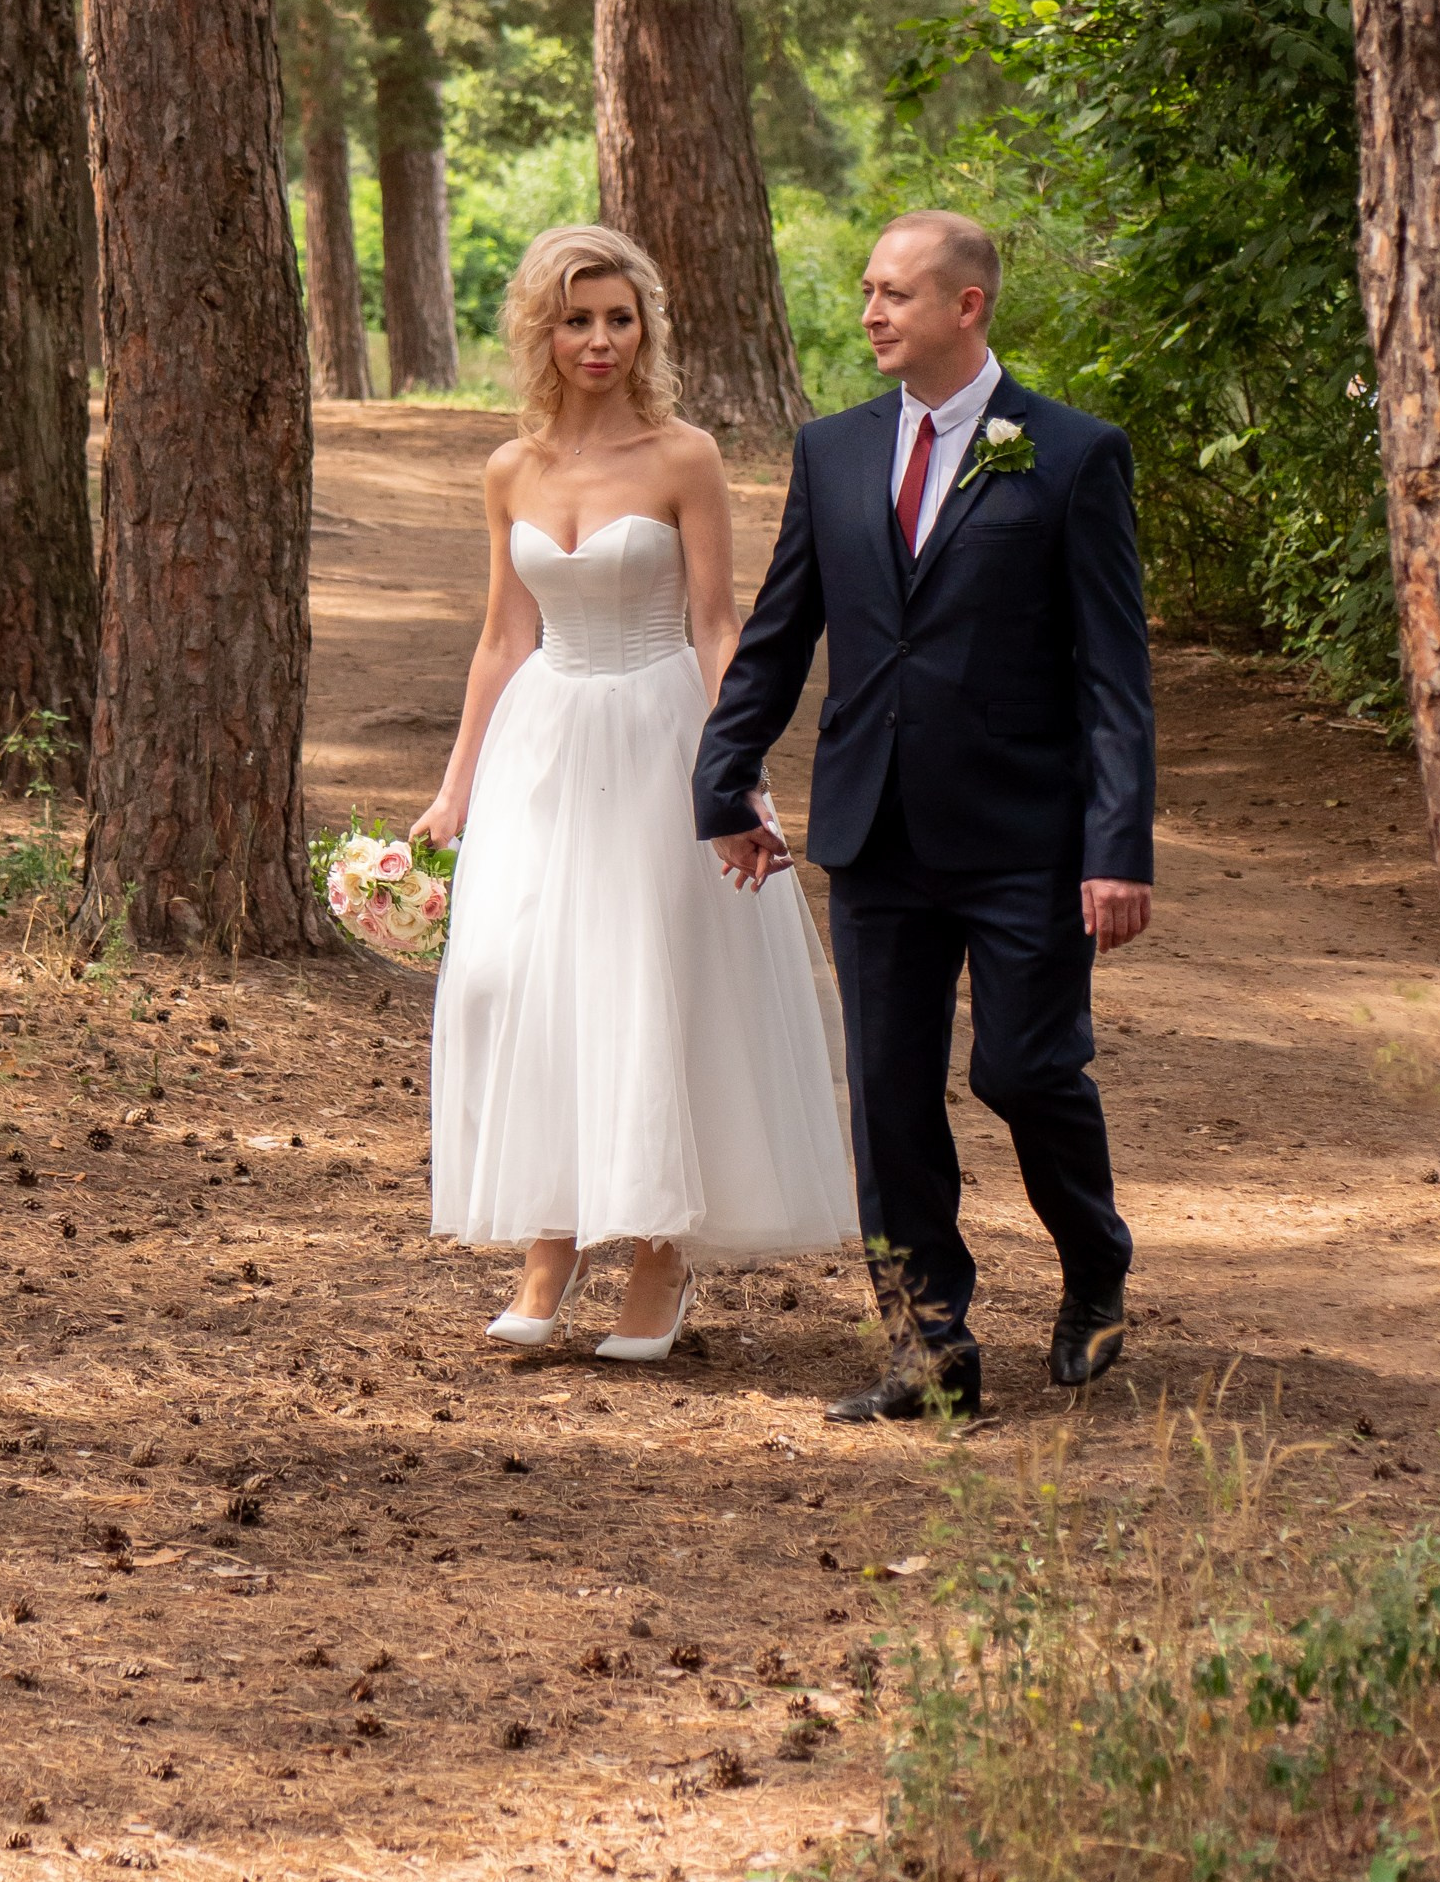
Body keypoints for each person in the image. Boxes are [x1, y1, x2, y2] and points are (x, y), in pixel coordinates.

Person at [693, 210, 1156, 1421]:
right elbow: (780, 633)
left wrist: (1117, 849)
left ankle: (1094, 1257)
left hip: (1026, 838)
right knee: (891, 1096)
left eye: (894, 293)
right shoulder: (833, 451)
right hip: (875, 830)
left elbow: (1115, 678)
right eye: (867, 291)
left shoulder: (1072, 455)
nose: (870, 313)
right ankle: (928, 1346)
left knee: (1025, 1070)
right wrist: (724, 778)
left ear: (967, 305)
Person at [414, 223, 856, 1361]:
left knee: (653, 980)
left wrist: (737, 769)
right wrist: (457, 788)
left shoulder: (683, 457)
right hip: (544, 744)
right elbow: (503, 636)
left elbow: (717, 626)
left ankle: (660, 1254)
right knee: (523, 981)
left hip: (662, 735)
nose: (600, 340)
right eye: (577, 320)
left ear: (645, 328)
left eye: (619, 318)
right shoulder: (511, 468)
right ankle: (549, 1241)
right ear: (543, 331)